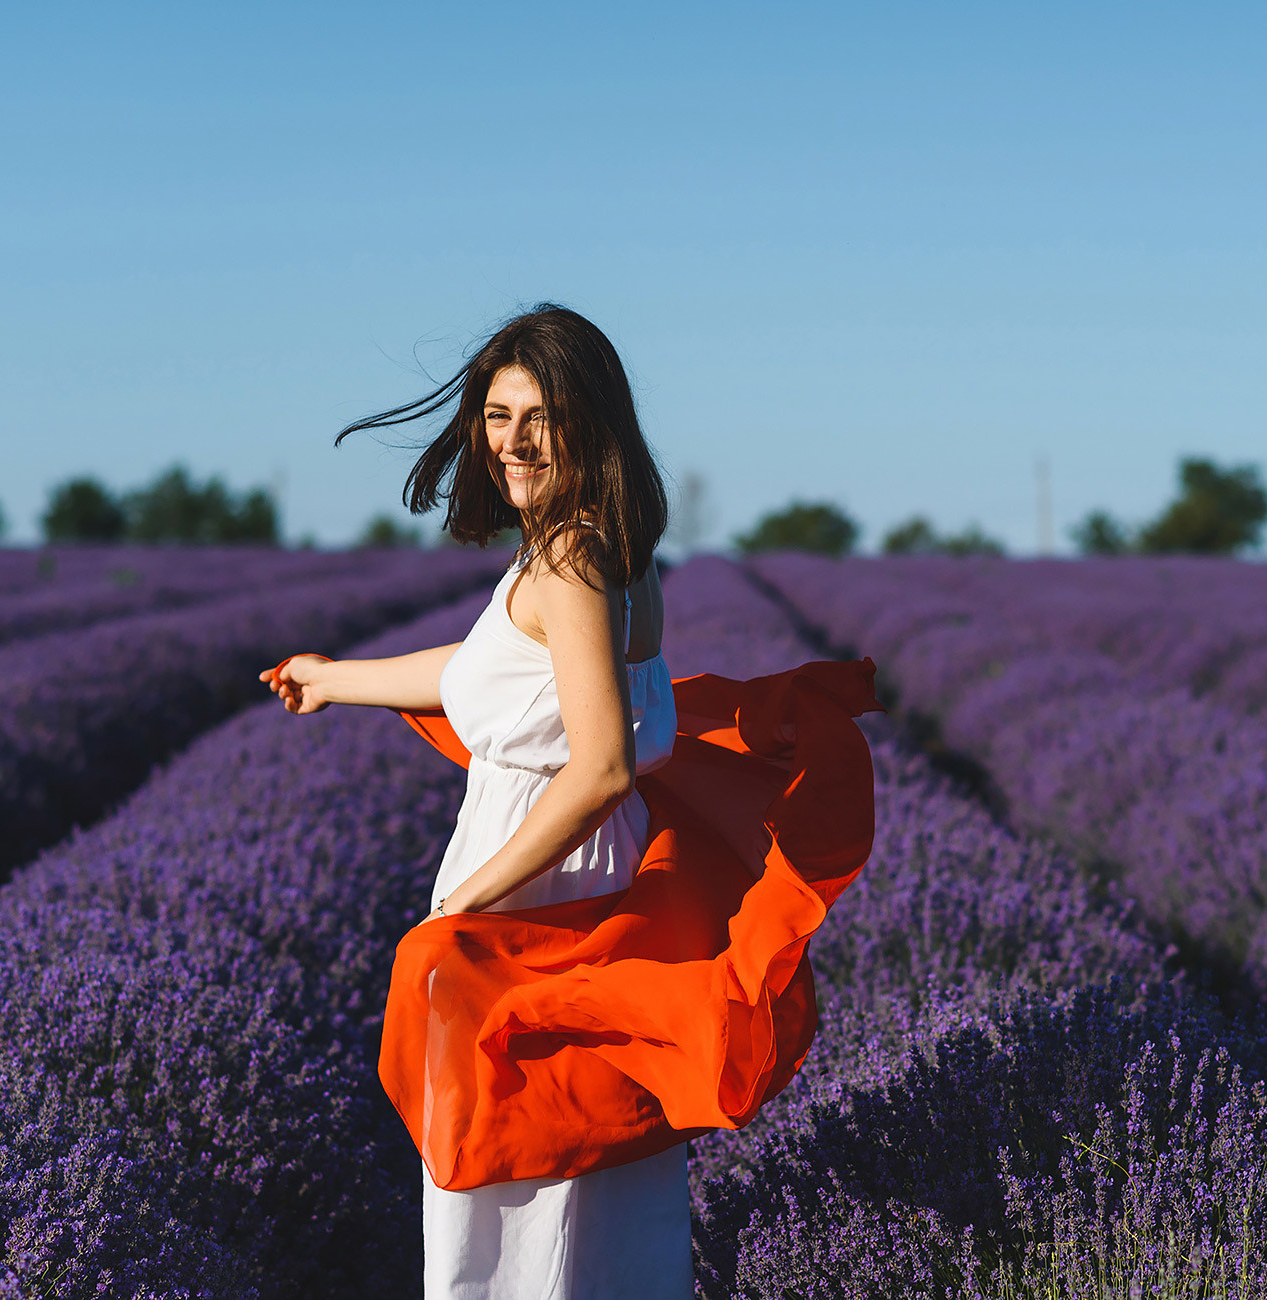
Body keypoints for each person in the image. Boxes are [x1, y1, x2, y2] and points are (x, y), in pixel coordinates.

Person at [259, 304, 882, 1300]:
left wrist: (462, 907)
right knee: (588, 1145)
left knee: (518, 1157)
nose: (509, 440)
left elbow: (596, 768)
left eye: (536, 415)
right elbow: (491, 674)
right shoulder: (602, 555)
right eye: (496, 414)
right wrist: (337, 678)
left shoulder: (570, 562)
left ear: (587, 424)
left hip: (540, 876)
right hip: (587, 868)